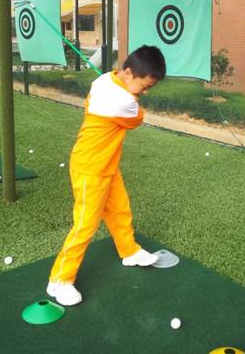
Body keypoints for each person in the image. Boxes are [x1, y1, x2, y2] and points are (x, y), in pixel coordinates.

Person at [47, 45, 167, 306]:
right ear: (128, 73)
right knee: (85, 224)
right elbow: (137, 119)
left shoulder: (104, 79)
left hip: (107, 164)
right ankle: (59, 279)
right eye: (145, 86)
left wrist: (131, 90)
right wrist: (134, 99)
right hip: (90, 167)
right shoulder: (125, 102)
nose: (145, 92)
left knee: (119, 210)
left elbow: (112, 90)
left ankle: (129, 250)